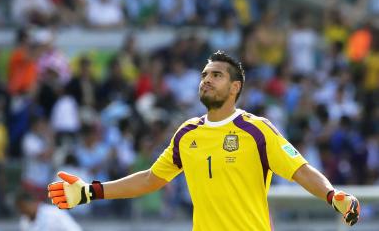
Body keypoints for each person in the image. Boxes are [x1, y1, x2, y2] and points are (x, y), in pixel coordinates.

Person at [48, 51, 360, 230]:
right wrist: (90, 191)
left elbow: (301, 170)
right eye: (204, 75)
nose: (206, 80)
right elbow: (150, 179)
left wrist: (332, 196)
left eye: (216, 75)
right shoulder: (187, 133)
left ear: (235, 87)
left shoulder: (257, 130)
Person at [16, 190, 82, 231]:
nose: (23, 211)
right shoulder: (24, 221)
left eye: (24, 207)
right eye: (20, 209)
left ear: (33, 203)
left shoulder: (54, 213)